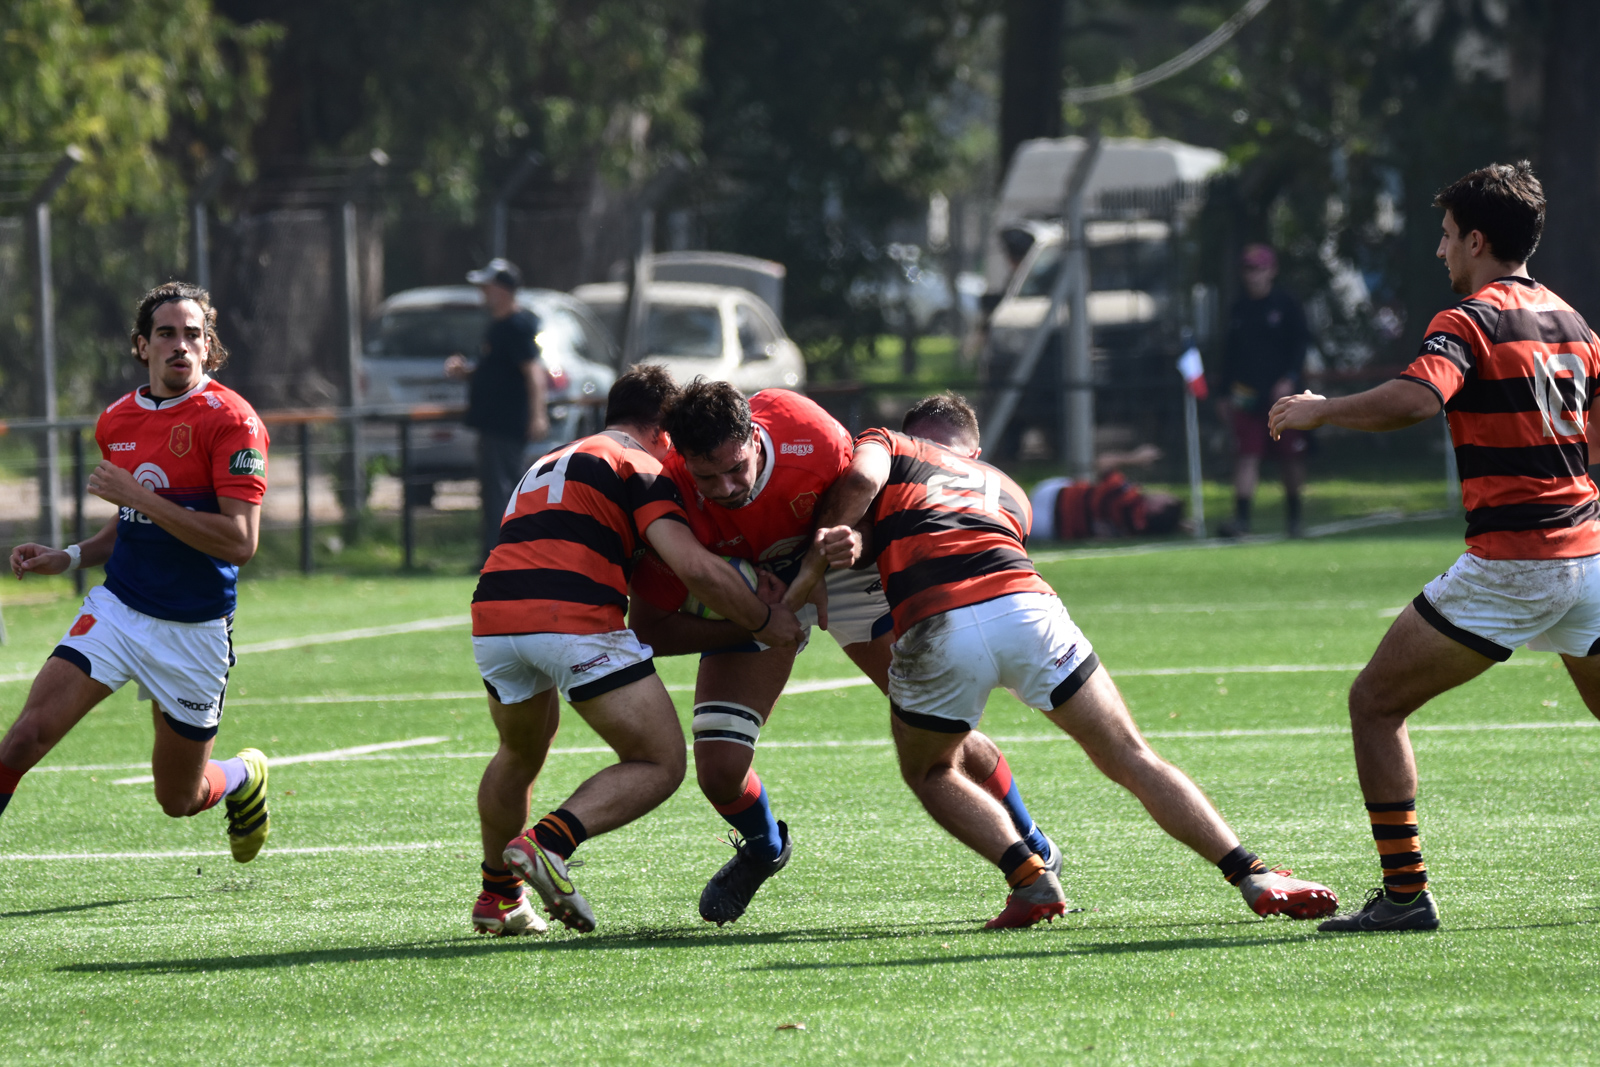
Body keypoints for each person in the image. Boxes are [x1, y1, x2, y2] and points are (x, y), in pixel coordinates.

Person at [788, 392, 1337, 928]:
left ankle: (1030, 876)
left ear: (912, 436)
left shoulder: (889, 445)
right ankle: (1251, 873)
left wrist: (816, 558)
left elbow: (861, 484)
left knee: (933, 770)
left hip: (938, 621)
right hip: (1029, 611)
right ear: (973, 452)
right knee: (1131, 754)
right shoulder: (1009, 489)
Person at [1270, 161, 1599, 932]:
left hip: (1513, 564)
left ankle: (1406, 894)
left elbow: (1418, 399)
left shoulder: (1471, 319)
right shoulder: (1575, 323)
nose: (1440, 249)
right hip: (1585, 557)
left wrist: (1323, 411)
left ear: (1478, 239)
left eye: (1448, 235)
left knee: (1374, 704)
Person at [627, 379, 1062, 925]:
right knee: (718, 769)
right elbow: (650, 629)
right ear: (682, 459)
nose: (727, 487)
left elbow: (882, 503)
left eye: (736, 468)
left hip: (845, 576)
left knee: (936, 725)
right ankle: (764, 847)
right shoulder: (669, 493)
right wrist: (760, 619)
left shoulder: (804, 429)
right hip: (759, 600)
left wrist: (856, 543)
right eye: (706, 476)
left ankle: (1032, 842)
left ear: (755, 436)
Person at [471, 365, 803, 936]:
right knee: (660, 762)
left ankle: (497, 897)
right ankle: (547, 845)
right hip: (570, 617)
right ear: (664, 431)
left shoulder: (550, 459)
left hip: (493, 620)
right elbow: (692, 566)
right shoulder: (641, 464)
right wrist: (764, 620)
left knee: (518, 754)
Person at [0, 282, 272, 862]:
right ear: (141, 345)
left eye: (193, 335)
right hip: (118, 611)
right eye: (167, 334)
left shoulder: (233, 422)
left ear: (209, 346)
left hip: (194, 632)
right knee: (24, 738)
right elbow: (130, 524)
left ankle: (244, 777)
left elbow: (240, 542)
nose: (181, 346)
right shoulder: (117, 420)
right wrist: (69, 556)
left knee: (179, 799)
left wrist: (141, 500)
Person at [445, 258, 548, 561]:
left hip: (506, 425)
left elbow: (532, 372)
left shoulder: (516, 326)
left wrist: (538, 414)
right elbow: (497, 371)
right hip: (491, 423)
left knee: (503, 492)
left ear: (503, 290)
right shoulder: (498, 327)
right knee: (494, 491)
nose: (482, 292)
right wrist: (468, 371)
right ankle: (498, 553)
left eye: (487, 286)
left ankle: (504, 555)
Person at [1216, 244, 1311, 537]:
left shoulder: (1285, 304)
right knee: (1247, 455)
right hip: (1247, 396)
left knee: (1290, 457)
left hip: (1282, 397)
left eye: (1258, 269)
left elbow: (1301, 343)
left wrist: (1289, 378)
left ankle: (1294, 518)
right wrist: (1222, 394)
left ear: (1271, 270)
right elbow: (1229, 356)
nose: (1252, 275)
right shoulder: (1239, 310)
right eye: (1248, 269)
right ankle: (1241, 519)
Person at [1029, 445, 1184, 541]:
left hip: (1052, 499)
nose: (1163, 492)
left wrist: (1136, 458)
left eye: (1166, 497)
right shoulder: (1140, 528)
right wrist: (1177, 524)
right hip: (1052, 531)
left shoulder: (1127, 498)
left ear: (1157, 509)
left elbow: (1104, 462)